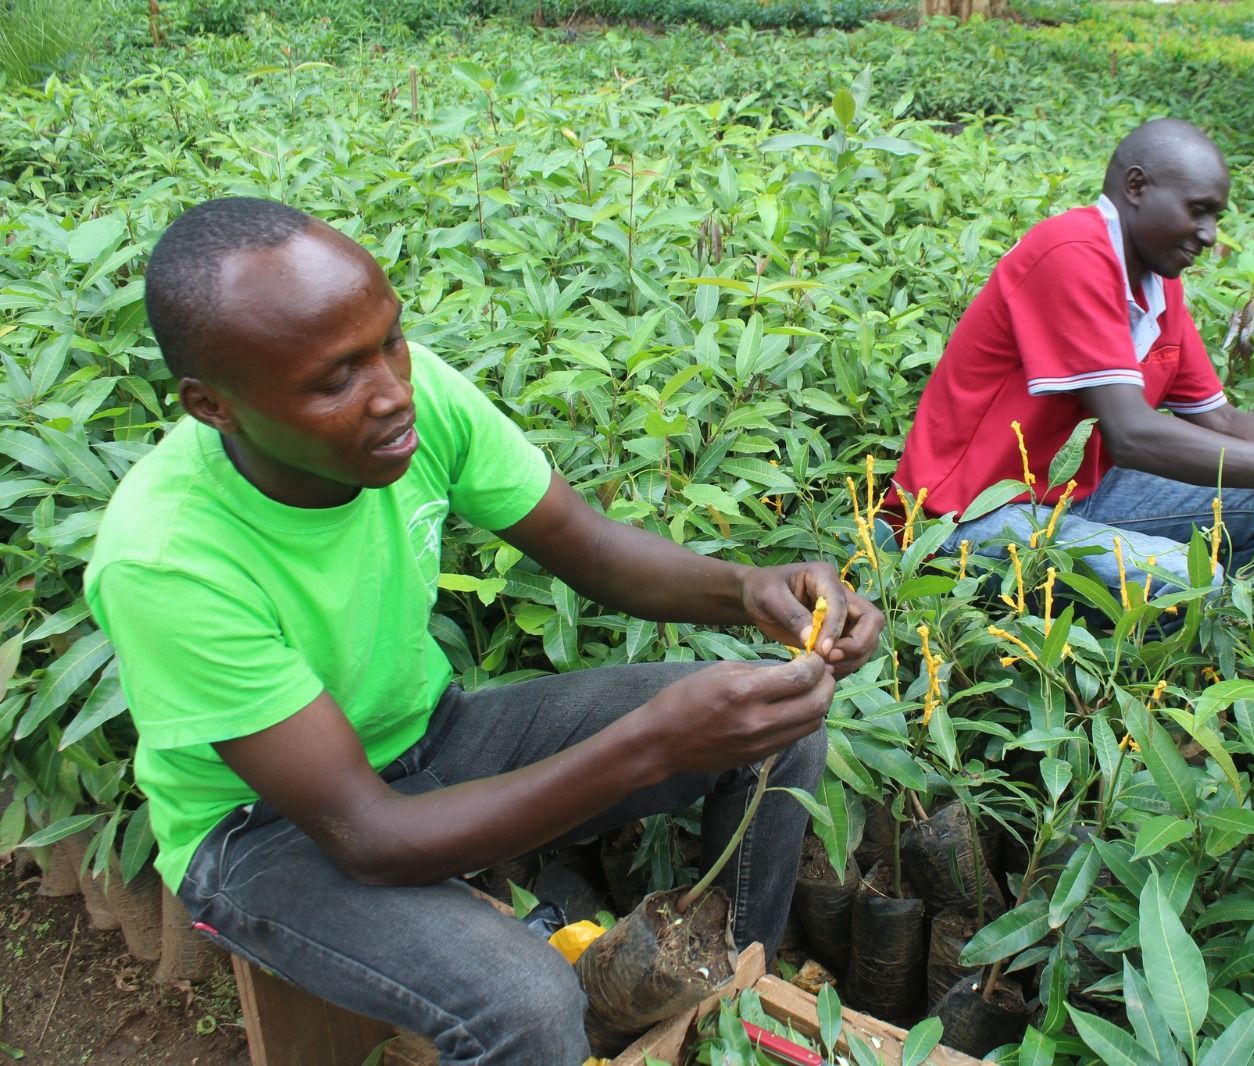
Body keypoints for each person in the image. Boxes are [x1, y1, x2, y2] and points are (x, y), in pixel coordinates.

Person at [84, 197, 884, 1065]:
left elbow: (591, 551)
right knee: (525, 1002)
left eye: (390, 340)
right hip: (266, 831)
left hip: (431, 734)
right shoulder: (166, 559)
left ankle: (720, 991)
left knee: (774, 729)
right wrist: (653, 743)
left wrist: (748, 587)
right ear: (214, 406)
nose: (394, 393)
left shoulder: (411, 403)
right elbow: (371, 837)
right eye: (333, 380)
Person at [893, 118, 1254, 597]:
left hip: (1074, 494)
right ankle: (1193, 685)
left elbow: (1218, 418)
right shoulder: (1070, 252)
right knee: (1187, 578)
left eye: (1216, 216)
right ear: (1138, 186)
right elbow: (1135, 437)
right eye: (1199, 210)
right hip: (961, 518)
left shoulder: (1154, 276)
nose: (1211, 233)